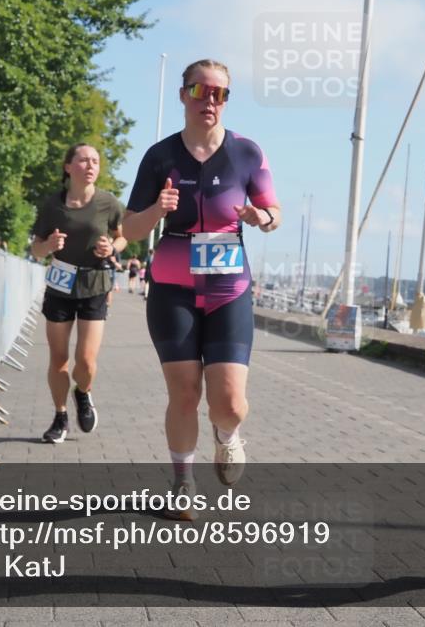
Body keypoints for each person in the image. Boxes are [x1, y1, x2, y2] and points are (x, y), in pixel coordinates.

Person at [123, 59, 281, 517]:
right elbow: (131, 228)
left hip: (228, 288)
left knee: (229, 403)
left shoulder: (247, 153)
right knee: (185, 393)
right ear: (184, 95)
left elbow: (275, 213)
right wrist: (158, 209)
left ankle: (227, 436)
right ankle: (183, 480)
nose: (210, 100)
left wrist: (261, 217)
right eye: (201, 91)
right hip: (173, 285)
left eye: (220, 93)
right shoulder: (160, 156)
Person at [31, 143, 128, 443]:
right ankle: (60, 417)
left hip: (94, 285)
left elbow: (123, 237)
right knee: (58, 358)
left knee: (85, 361)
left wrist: (112, 248)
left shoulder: (107, 203)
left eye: (95, 161)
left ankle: (83, 393)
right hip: (60, 284)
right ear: (68, 166)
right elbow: (36, 249)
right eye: (83, 160)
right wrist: (48, 247)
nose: (90, 165)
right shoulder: (52, 205)